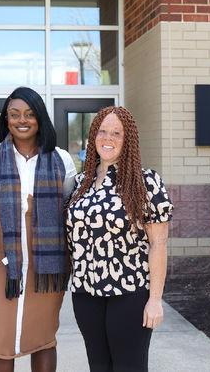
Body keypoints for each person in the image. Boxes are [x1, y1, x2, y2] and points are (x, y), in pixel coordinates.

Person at [0, 87, 77, 372]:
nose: (22, 120)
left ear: (40, 118)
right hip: (3, 264)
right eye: (15, 114)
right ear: (6, 119)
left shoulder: (62, 159)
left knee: (43, 338)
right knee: (2, 341)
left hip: (49, 266)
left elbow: (67, 209)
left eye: (30, 114)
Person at [65, 106, 173, 372]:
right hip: (86, 293)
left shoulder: (146, 182)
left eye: (116, 133)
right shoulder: (81, 183)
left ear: (128, 140)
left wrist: (155, 299)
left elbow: (158, 244)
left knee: (129, 367)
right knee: (99, 366)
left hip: (129, 293)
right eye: (102, 131)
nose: (108, 138)